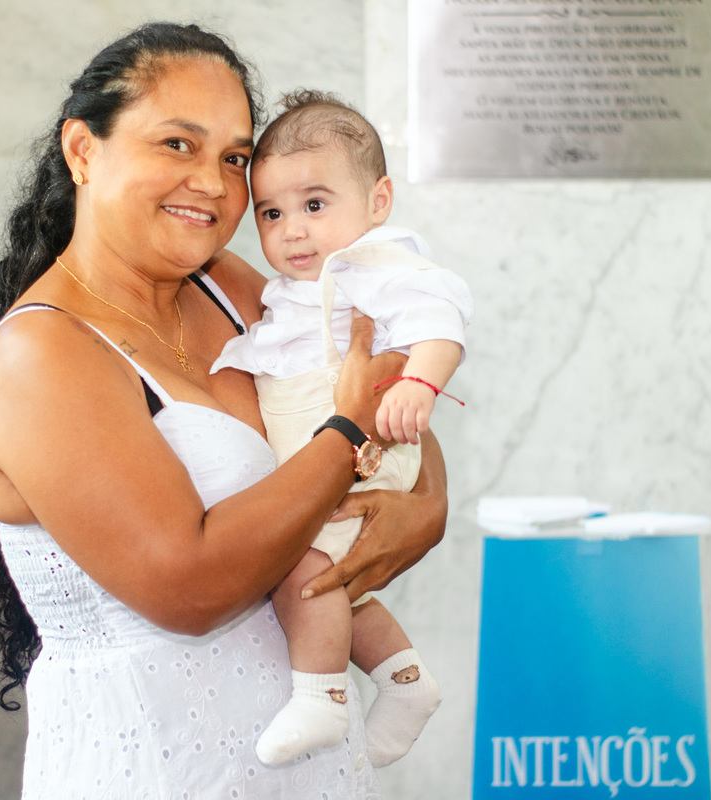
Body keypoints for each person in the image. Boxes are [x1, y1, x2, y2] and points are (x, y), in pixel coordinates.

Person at [0, 23, 450, 798]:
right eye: (178, 144)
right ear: (83, 150)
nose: (212, 183)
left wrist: (429, 504)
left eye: (235, 158)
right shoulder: (41, 357)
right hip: (156, 768)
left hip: (304, 768)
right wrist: (344, 436)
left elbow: (381, 374)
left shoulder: (234, 287)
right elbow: (191, 588)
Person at [212, 91, 473, 768]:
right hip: (323, 442)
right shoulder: (293, 286)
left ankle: (323, 694)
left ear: (378, 201)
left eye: (315, 205)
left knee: (303, 565)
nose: (292, 231)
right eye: (272, 213)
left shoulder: (372, 265)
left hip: (365, 451)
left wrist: (419, 383)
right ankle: (403, 678)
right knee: (332, 579)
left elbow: (439, 319)